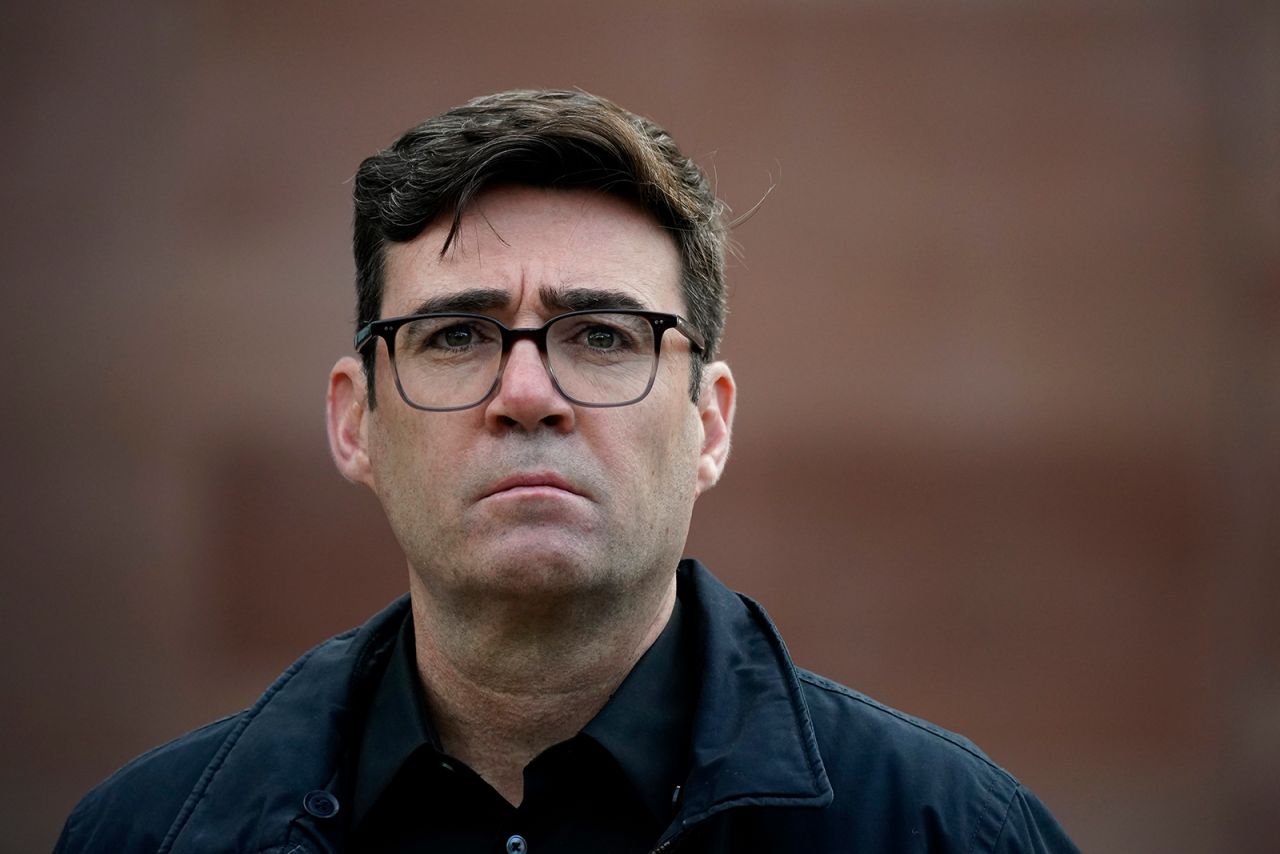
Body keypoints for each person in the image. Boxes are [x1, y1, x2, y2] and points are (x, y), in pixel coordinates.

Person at [56, 89, 1079, 853]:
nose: (527, 390)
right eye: (456, 333)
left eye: (601, 333)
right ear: (355, 418)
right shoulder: (143, 836)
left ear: (707, 423)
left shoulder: (948, 832)